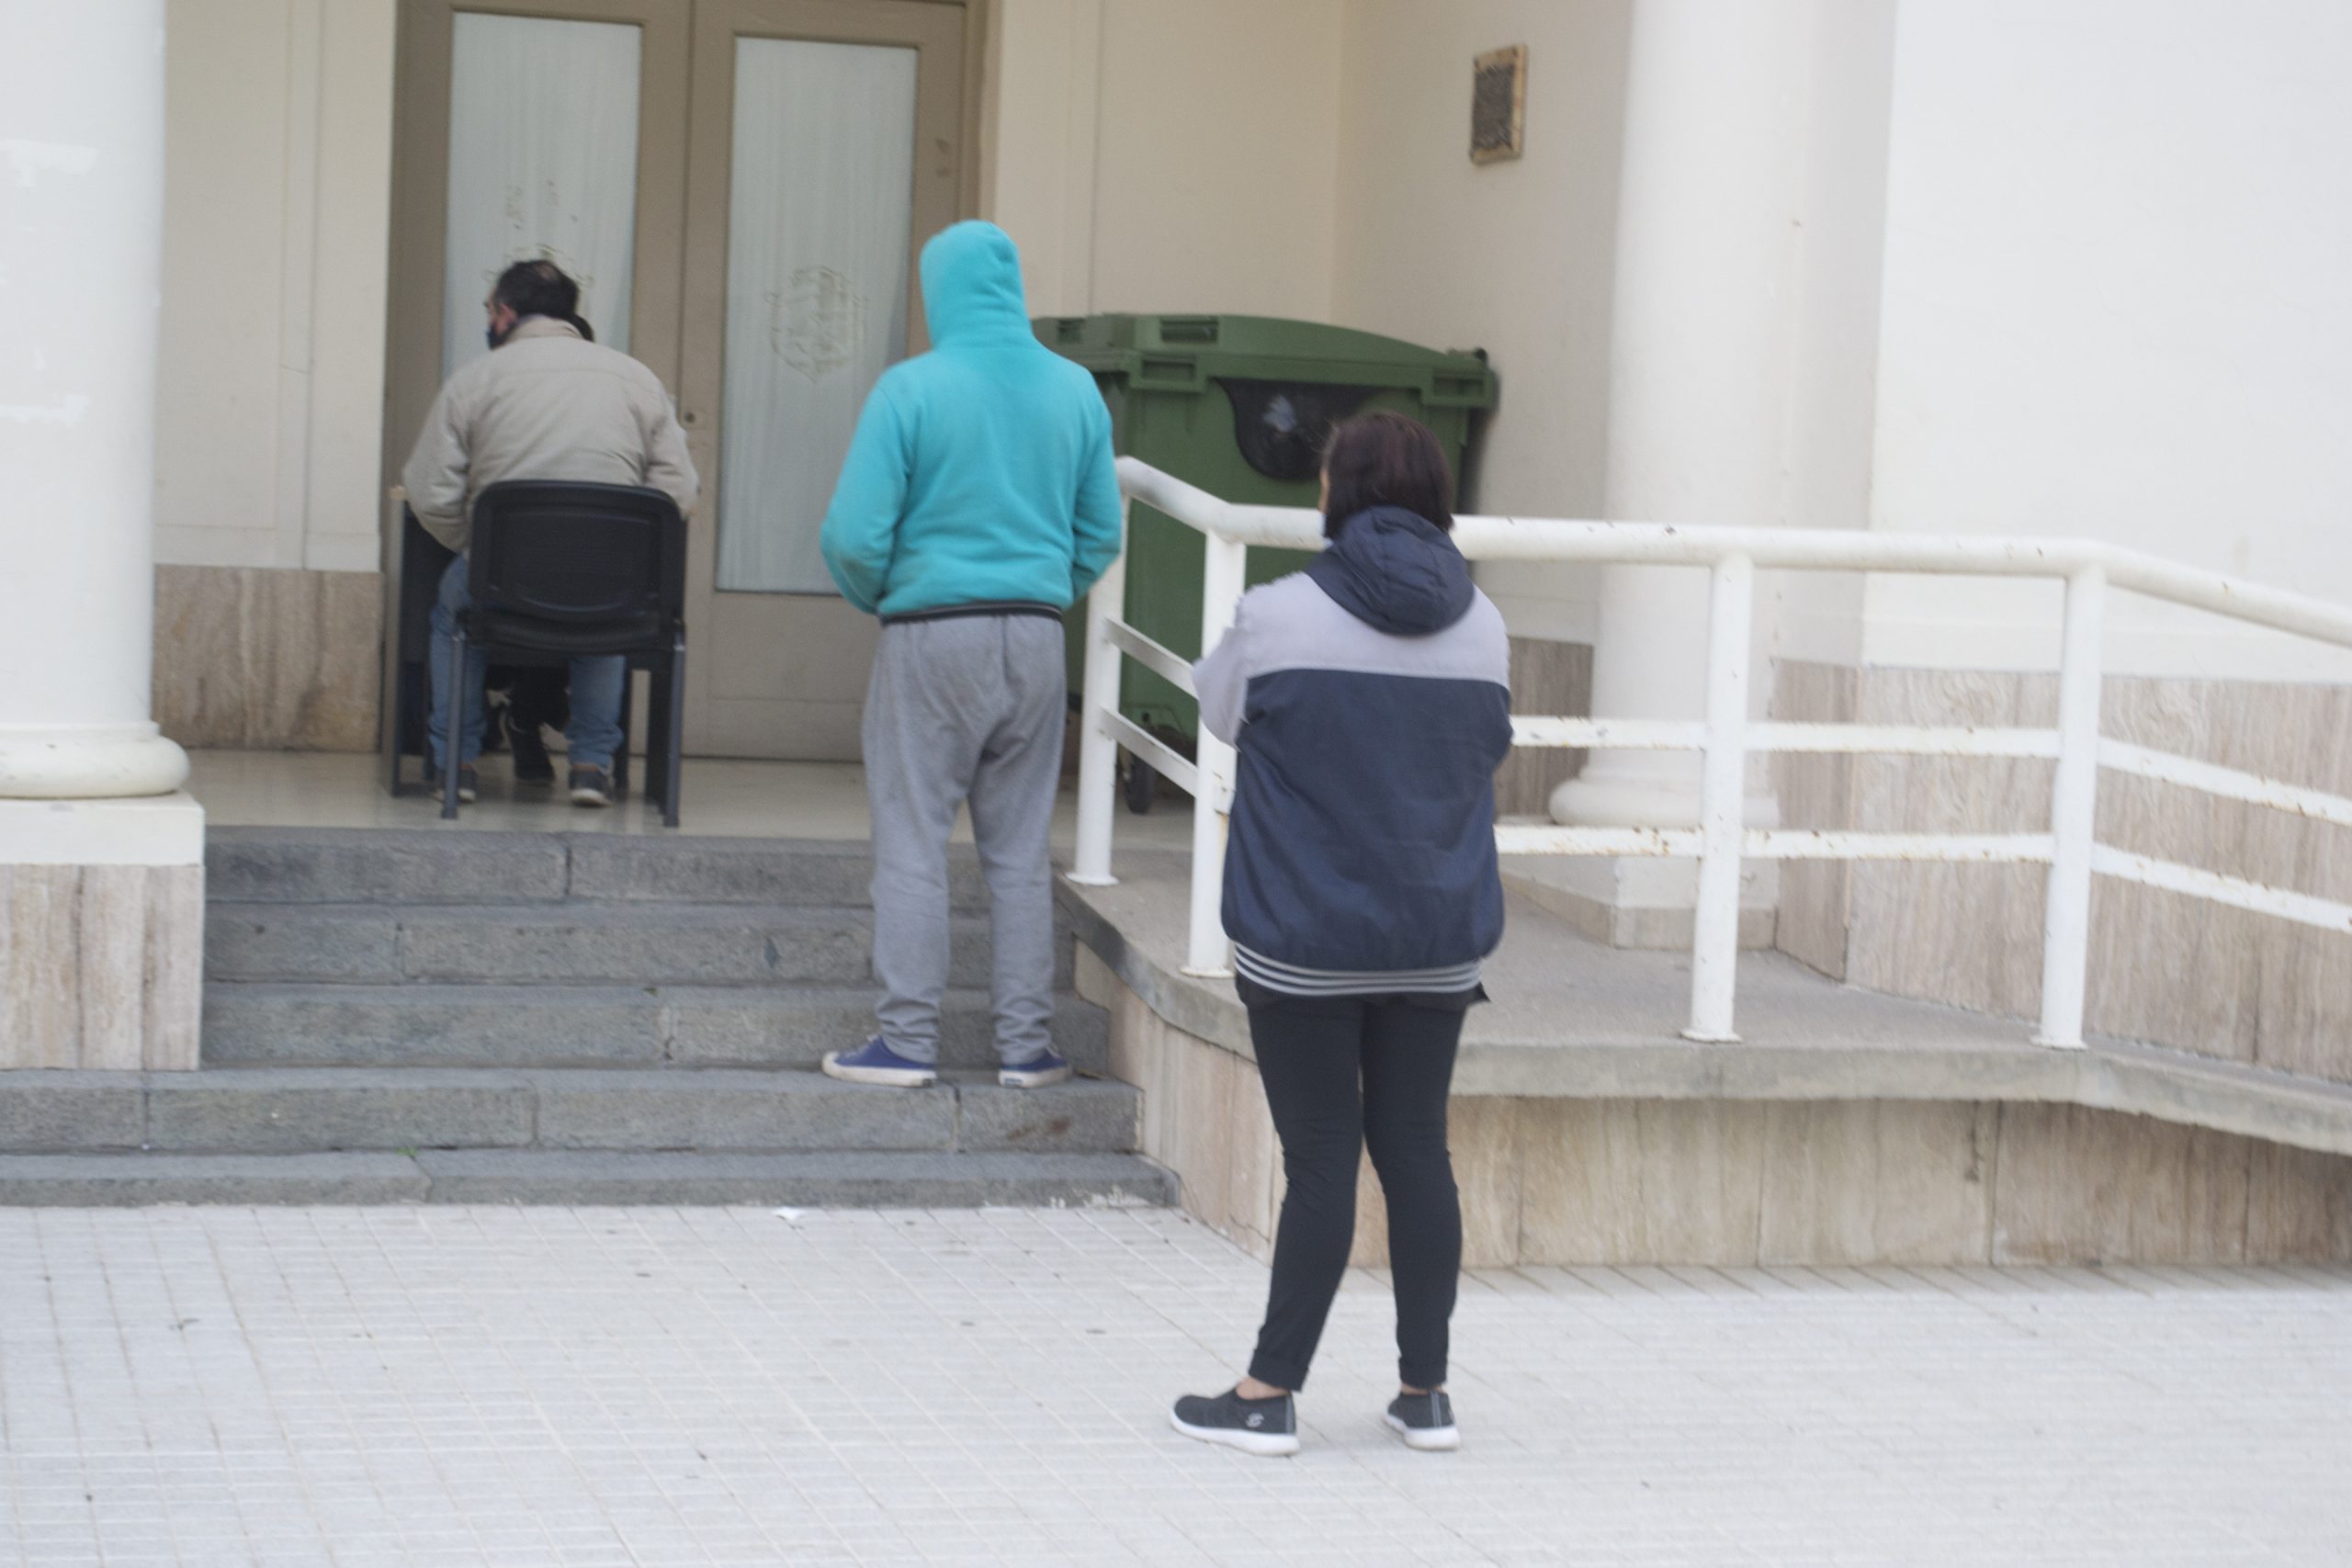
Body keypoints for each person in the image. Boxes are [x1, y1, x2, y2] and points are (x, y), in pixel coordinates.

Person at [1169, 412, 1513, 1457]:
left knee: (1321, 1156)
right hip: (1438, 938)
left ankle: (1267, 1393)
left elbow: (1218, 712)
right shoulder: (1486, 625)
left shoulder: (1276, 614)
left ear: (1340, 493)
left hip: (1303, 939)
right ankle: (1425, 1394)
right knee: (1416, 1149)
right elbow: (1488, 744)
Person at [816, 220, 1122, 1091]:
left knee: (913, 838)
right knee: (1020, 853)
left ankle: (907, 1042)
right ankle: (1027, 1049)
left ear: (937, 292)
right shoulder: (1075, 390)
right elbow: (1100, 531)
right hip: (1036, 634)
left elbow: (853, 535)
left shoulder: (911, 389)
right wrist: (1043, 591)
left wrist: (886, 595)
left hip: (931, 633)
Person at [402, 258, 697, 806]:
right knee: (609, 606)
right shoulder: (637, 379)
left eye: (489, 312)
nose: (489, 322)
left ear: (505, 313)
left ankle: (456, 764)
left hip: (501, 581)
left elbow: (429, 492)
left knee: (450, 615)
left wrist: (474, 547)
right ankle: (590, 767)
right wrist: (631, 551)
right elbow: (677, 492)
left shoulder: (474, 381)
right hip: (605, 579)